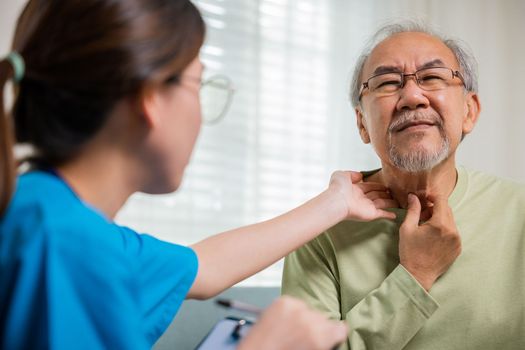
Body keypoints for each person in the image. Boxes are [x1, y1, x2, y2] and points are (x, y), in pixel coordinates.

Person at [0, 1, 399, 349]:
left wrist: (336, 202)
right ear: (151, 98)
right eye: (199, 82)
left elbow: (202, 268)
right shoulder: (66, 245)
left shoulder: (49, 214)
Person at [282, 20, 525, 350]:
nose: (412, 97)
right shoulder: (318, 230)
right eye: (386, 83)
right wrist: (414, 278)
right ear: (362, 123)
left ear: (470, 111)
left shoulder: (519, 212)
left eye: (433, 78)